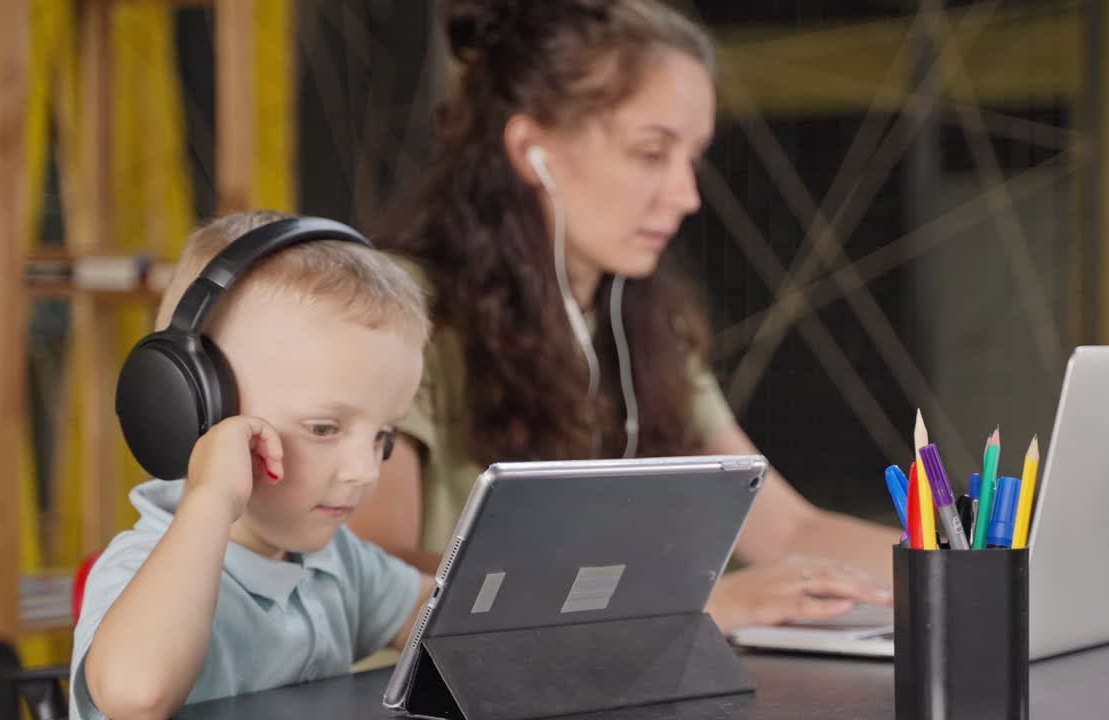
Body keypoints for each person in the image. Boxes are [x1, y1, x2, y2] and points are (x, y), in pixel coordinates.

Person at [350, 0, 899, 632]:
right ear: (533, 149)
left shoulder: (638, 321)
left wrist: (976, 572)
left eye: (692, 157)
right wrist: (678, 605)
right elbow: (376, 567)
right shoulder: (402, 311)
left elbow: (789, 530)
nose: (686, 195)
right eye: (650, 153)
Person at [70, 212, 431, 719]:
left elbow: (442, 619)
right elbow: (137, 695)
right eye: (324, 429)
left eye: (383, 436)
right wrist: (211, 499)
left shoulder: (337, 563)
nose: (365, 471)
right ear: (197, 412)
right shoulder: (139, 567)